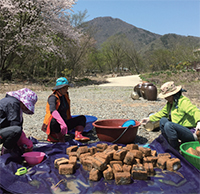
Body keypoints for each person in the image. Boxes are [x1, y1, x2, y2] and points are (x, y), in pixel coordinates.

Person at [141, 81, 200, 151]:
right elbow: (162, 113)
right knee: (163, 120)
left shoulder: (183, 101)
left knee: (169, 125)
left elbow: (194, 110)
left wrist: (199, 121)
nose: (166, 98)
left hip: (190, 132)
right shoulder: (170, 103)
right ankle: (167, 144)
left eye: (167, 97)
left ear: (173, 94)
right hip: (180, 129)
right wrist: (149, 119)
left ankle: (174, 150)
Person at [41, 77, 90, 143]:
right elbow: (53, 111)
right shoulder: (53, 98)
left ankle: (78, 135)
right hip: (54, 125)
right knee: (54, 121)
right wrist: (62, 123)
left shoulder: (65, 95)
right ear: (59, 89)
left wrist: (69, 119)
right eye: (64, 88)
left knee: (82, 118)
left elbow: (66, 109)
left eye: (67, 87)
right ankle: (59, 137)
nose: (66, 89)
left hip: (64, 122)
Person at [0, 88, 38, 154]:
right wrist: (25, 142)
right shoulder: (12, 103)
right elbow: (15, 128)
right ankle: (6, 153)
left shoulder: (11, 101)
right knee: (16, 130)